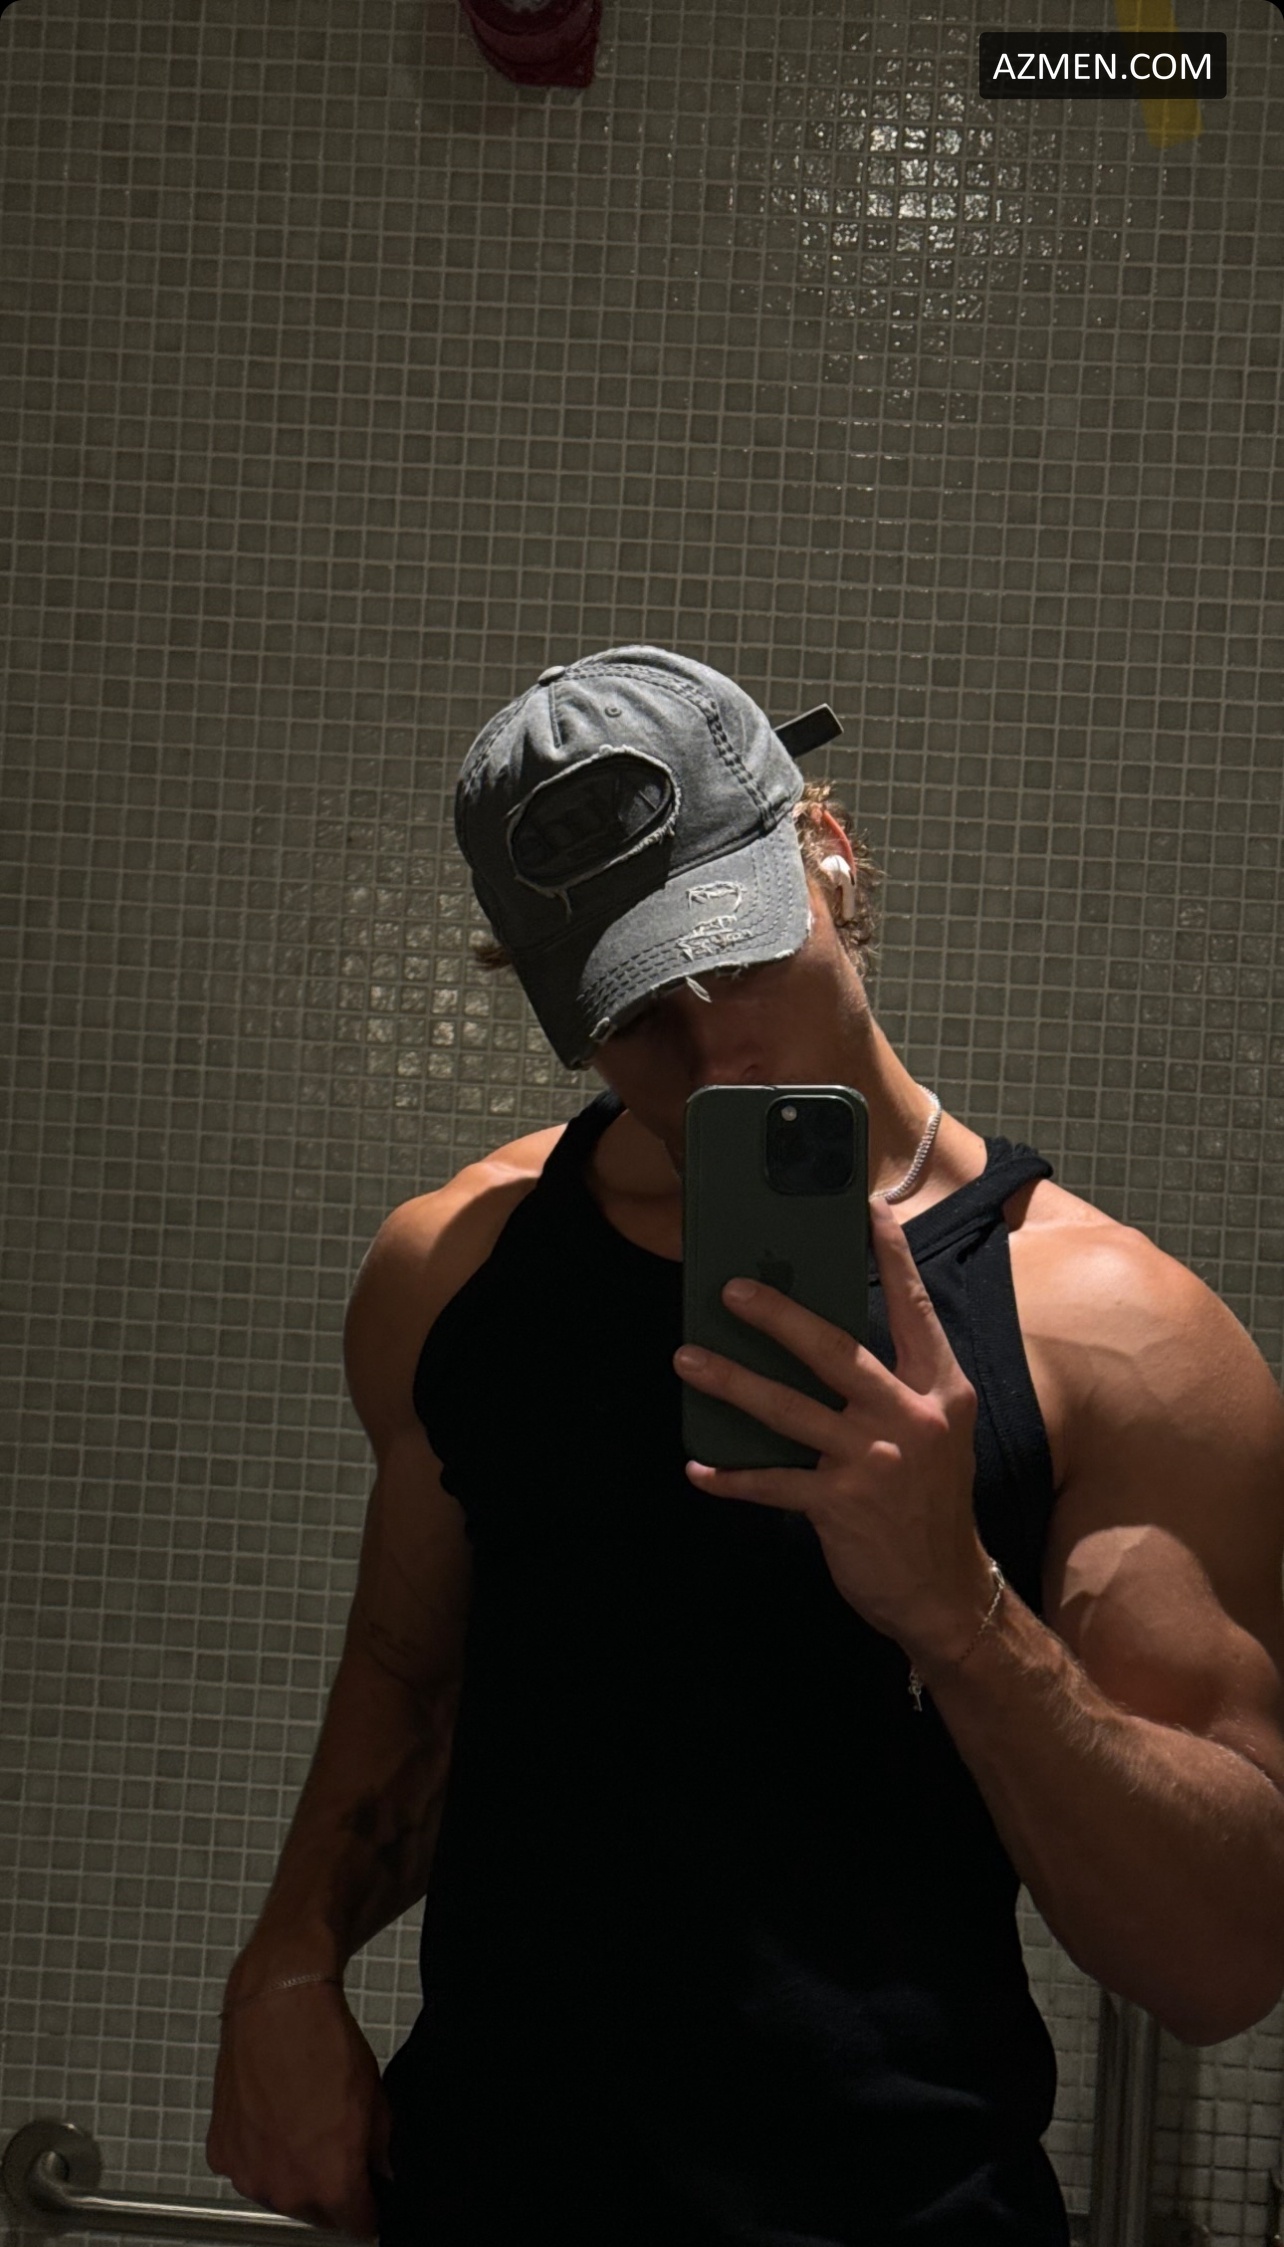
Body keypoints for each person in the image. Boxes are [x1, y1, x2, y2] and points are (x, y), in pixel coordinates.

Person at [207, 644, 1284, 2246]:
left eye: (737, 958)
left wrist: (958, 1612)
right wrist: (289, 1963)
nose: (711, 1051)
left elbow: (1220, 1962)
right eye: (636, 1012)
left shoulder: (1114, 1336)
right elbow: (409, 1674)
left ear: (825, 855)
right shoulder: (456, 1273)